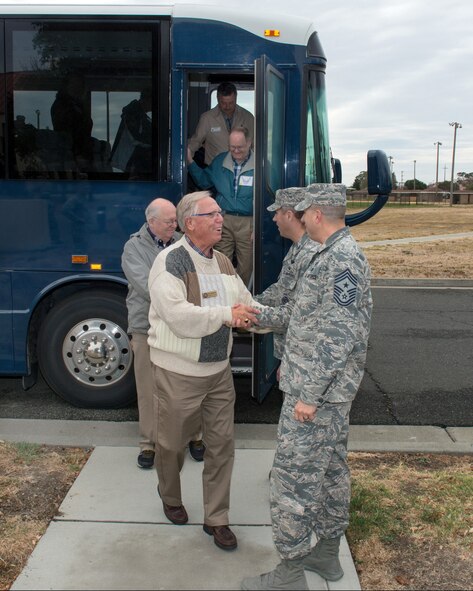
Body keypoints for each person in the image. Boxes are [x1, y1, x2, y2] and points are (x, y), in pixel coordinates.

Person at [241, 184, 373, 590]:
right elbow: (303, 318)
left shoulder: (341, 260)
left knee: (292, 480)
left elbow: (337, 337)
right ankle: (327, 554)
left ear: (316, 214)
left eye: (302, 211)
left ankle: (290, 572)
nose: (294, 217)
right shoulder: (329, 254)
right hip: (320, 390)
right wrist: (257, 316)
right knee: (331, 470)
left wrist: (309, 397)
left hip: (316, 396)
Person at [147, 191, 261, 551]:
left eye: (220, 213)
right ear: (189, 222)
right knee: (170, 444)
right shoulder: (170, 262)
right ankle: (170, 495)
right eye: (211, 214)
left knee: (222, 445)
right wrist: (228, 315)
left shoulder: (224, 263)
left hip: (218, 374)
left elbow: (247, 305)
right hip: (178, 373)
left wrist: (274, 318)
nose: (220, 220)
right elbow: (179, 318)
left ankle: (217, 518)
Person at [121, 198, 204, 469]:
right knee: (149, 389)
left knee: (188, 386)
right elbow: (148, 287)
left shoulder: (184, 242)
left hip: (181, 325)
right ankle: (149, 444)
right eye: (169, 221)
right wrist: (182, 295)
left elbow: (200, 277)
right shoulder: (133, 248)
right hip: (147, 327)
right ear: (151, 222)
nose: (174, 225)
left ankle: (195, 437)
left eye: (175, 220)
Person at [254, 187, 320, 364]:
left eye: (277, 213)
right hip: (293, 353)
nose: (274, 218)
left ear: (289, 215)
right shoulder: (298, 247)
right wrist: (251, 301)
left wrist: (250, 315)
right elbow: (281, 289)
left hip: (305, 358)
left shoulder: (311, 253)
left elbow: (298, 313)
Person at [187, 127, 254, 286]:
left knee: (247, 265)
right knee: (221, 260)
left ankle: (241, 298)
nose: (236, 151)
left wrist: (260, 224)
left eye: (240, 147)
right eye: (232, 147)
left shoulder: (261, 164)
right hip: (223, 219)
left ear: (249, 143)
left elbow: (269, 197)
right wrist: (190, 162)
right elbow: (204, 181)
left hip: (249, 222)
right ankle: (224, 296)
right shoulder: (220, 161)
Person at [188, 81, 254, 166]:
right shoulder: (207, 118)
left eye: (231, 103)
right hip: (214, 170)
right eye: (223, 103)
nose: (227, 107)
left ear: (236, 98)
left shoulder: (248, 117)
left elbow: (254, 145)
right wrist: (186, 162)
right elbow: (195, 142)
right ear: (217, 99)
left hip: (242, 168)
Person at [51, 72, 93, 169]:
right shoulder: (61, 106)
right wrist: (77, 155)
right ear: (66, 86)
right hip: (71, 160)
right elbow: (66, 133)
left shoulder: (78, 106)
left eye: (80, 85)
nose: (77, 87)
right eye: (74, 84)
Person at [110, 88, 152, 176]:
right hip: (131, 163)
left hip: (135, 163)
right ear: (147, 100)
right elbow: (135, 138)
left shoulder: (142, 117)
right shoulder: (133, 114)